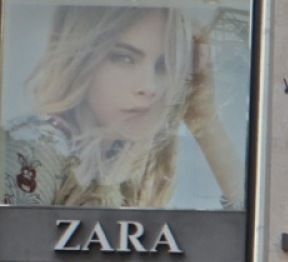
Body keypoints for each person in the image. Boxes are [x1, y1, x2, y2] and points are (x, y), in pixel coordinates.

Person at [3, 6, 244, 209]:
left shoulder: (131, 155)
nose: (149, 87)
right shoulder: (39, 141)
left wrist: (204, 118)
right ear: (84, 59)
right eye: (124, 58)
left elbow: (257, 228)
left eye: (163, 66)